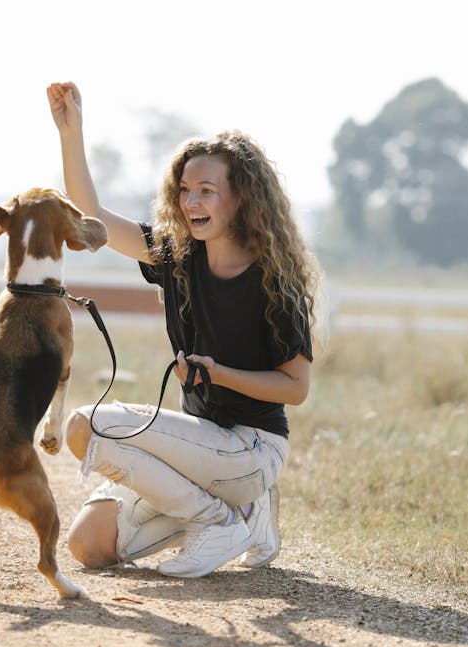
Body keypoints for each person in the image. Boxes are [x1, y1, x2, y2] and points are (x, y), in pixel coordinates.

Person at [46, 81, 321, 579]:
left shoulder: (274, 281)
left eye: (207, 190)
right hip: (199, 448)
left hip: (252, 449)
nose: (192, 200)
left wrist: (219, 373)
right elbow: (94, 219)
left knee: (84, 425)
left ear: (241, 199)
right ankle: (244, 516)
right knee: (88, 547)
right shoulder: (176, 256)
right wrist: (72, 133)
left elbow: (296, 388)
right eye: (185, 190)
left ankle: (217, 518)